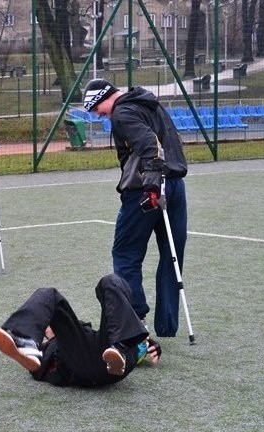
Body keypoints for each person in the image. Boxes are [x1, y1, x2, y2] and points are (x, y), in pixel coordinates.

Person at [82, 80, 188, 338]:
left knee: (126, 253)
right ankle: (166, 324)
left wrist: (151, 184)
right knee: (171, 254)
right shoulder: (151, 104)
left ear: (107, 97)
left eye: (96, 107)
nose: (98, 114)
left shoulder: (122, 112)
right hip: (175, 185)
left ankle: (134, 319)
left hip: (144, 189)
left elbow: (149, 145)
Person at [0, 273, 161, 387]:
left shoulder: (81, 331)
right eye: (47, 325)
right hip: (84, 364)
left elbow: (124, 334)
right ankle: (22, 339)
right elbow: (40, 370)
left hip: (114, 353)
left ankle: (122, 346)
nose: (49, 324)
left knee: (111, 281)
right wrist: (32, 362)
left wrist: (147, 343)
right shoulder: (51, 351)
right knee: (48, 294)